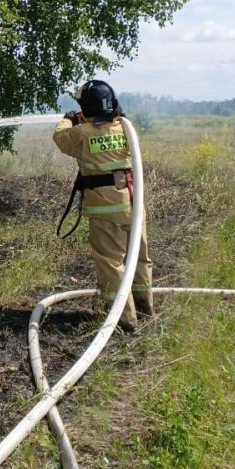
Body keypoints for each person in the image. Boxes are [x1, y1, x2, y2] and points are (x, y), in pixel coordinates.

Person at [52, 79, 153, 330]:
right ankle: (145, 309)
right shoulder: (125, 128)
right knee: (139, 258)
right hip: (134, 203)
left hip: (107, 210)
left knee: (111, 263)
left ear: (87, 108)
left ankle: (123, 320)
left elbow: (60, 138)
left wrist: (68, 119)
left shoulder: (82, 133)